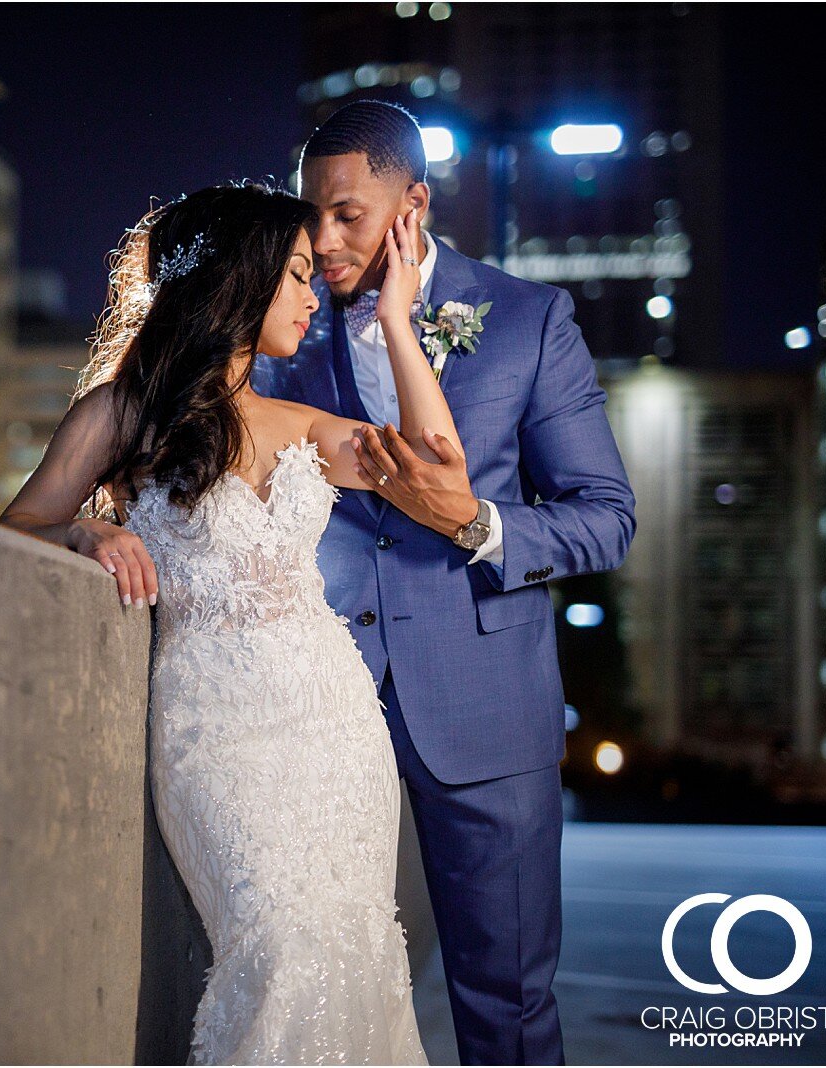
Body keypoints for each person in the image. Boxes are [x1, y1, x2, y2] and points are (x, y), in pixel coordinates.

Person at [0, 179, 444, 1063]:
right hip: (219, 735)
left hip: (336, 729)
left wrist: (398, 319)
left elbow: (437, 467)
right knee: (279, 949)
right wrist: (87, 528)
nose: (313, 295)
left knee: (356, 956)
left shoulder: (304, 427)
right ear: (239, 283)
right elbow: (19, 525)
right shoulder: (122, 413)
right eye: (296, 274)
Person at [253, 100, 637, 1065]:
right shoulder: (283, 320)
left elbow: (607, 516)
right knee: (312, 986)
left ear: (413, 203)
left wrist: (479, 524)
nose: (324, 240)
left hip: (484, 705)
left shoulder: (528, 321)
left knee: (504, 1000)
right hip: (320, 702)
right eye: (311, 216)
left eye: (348, 214)